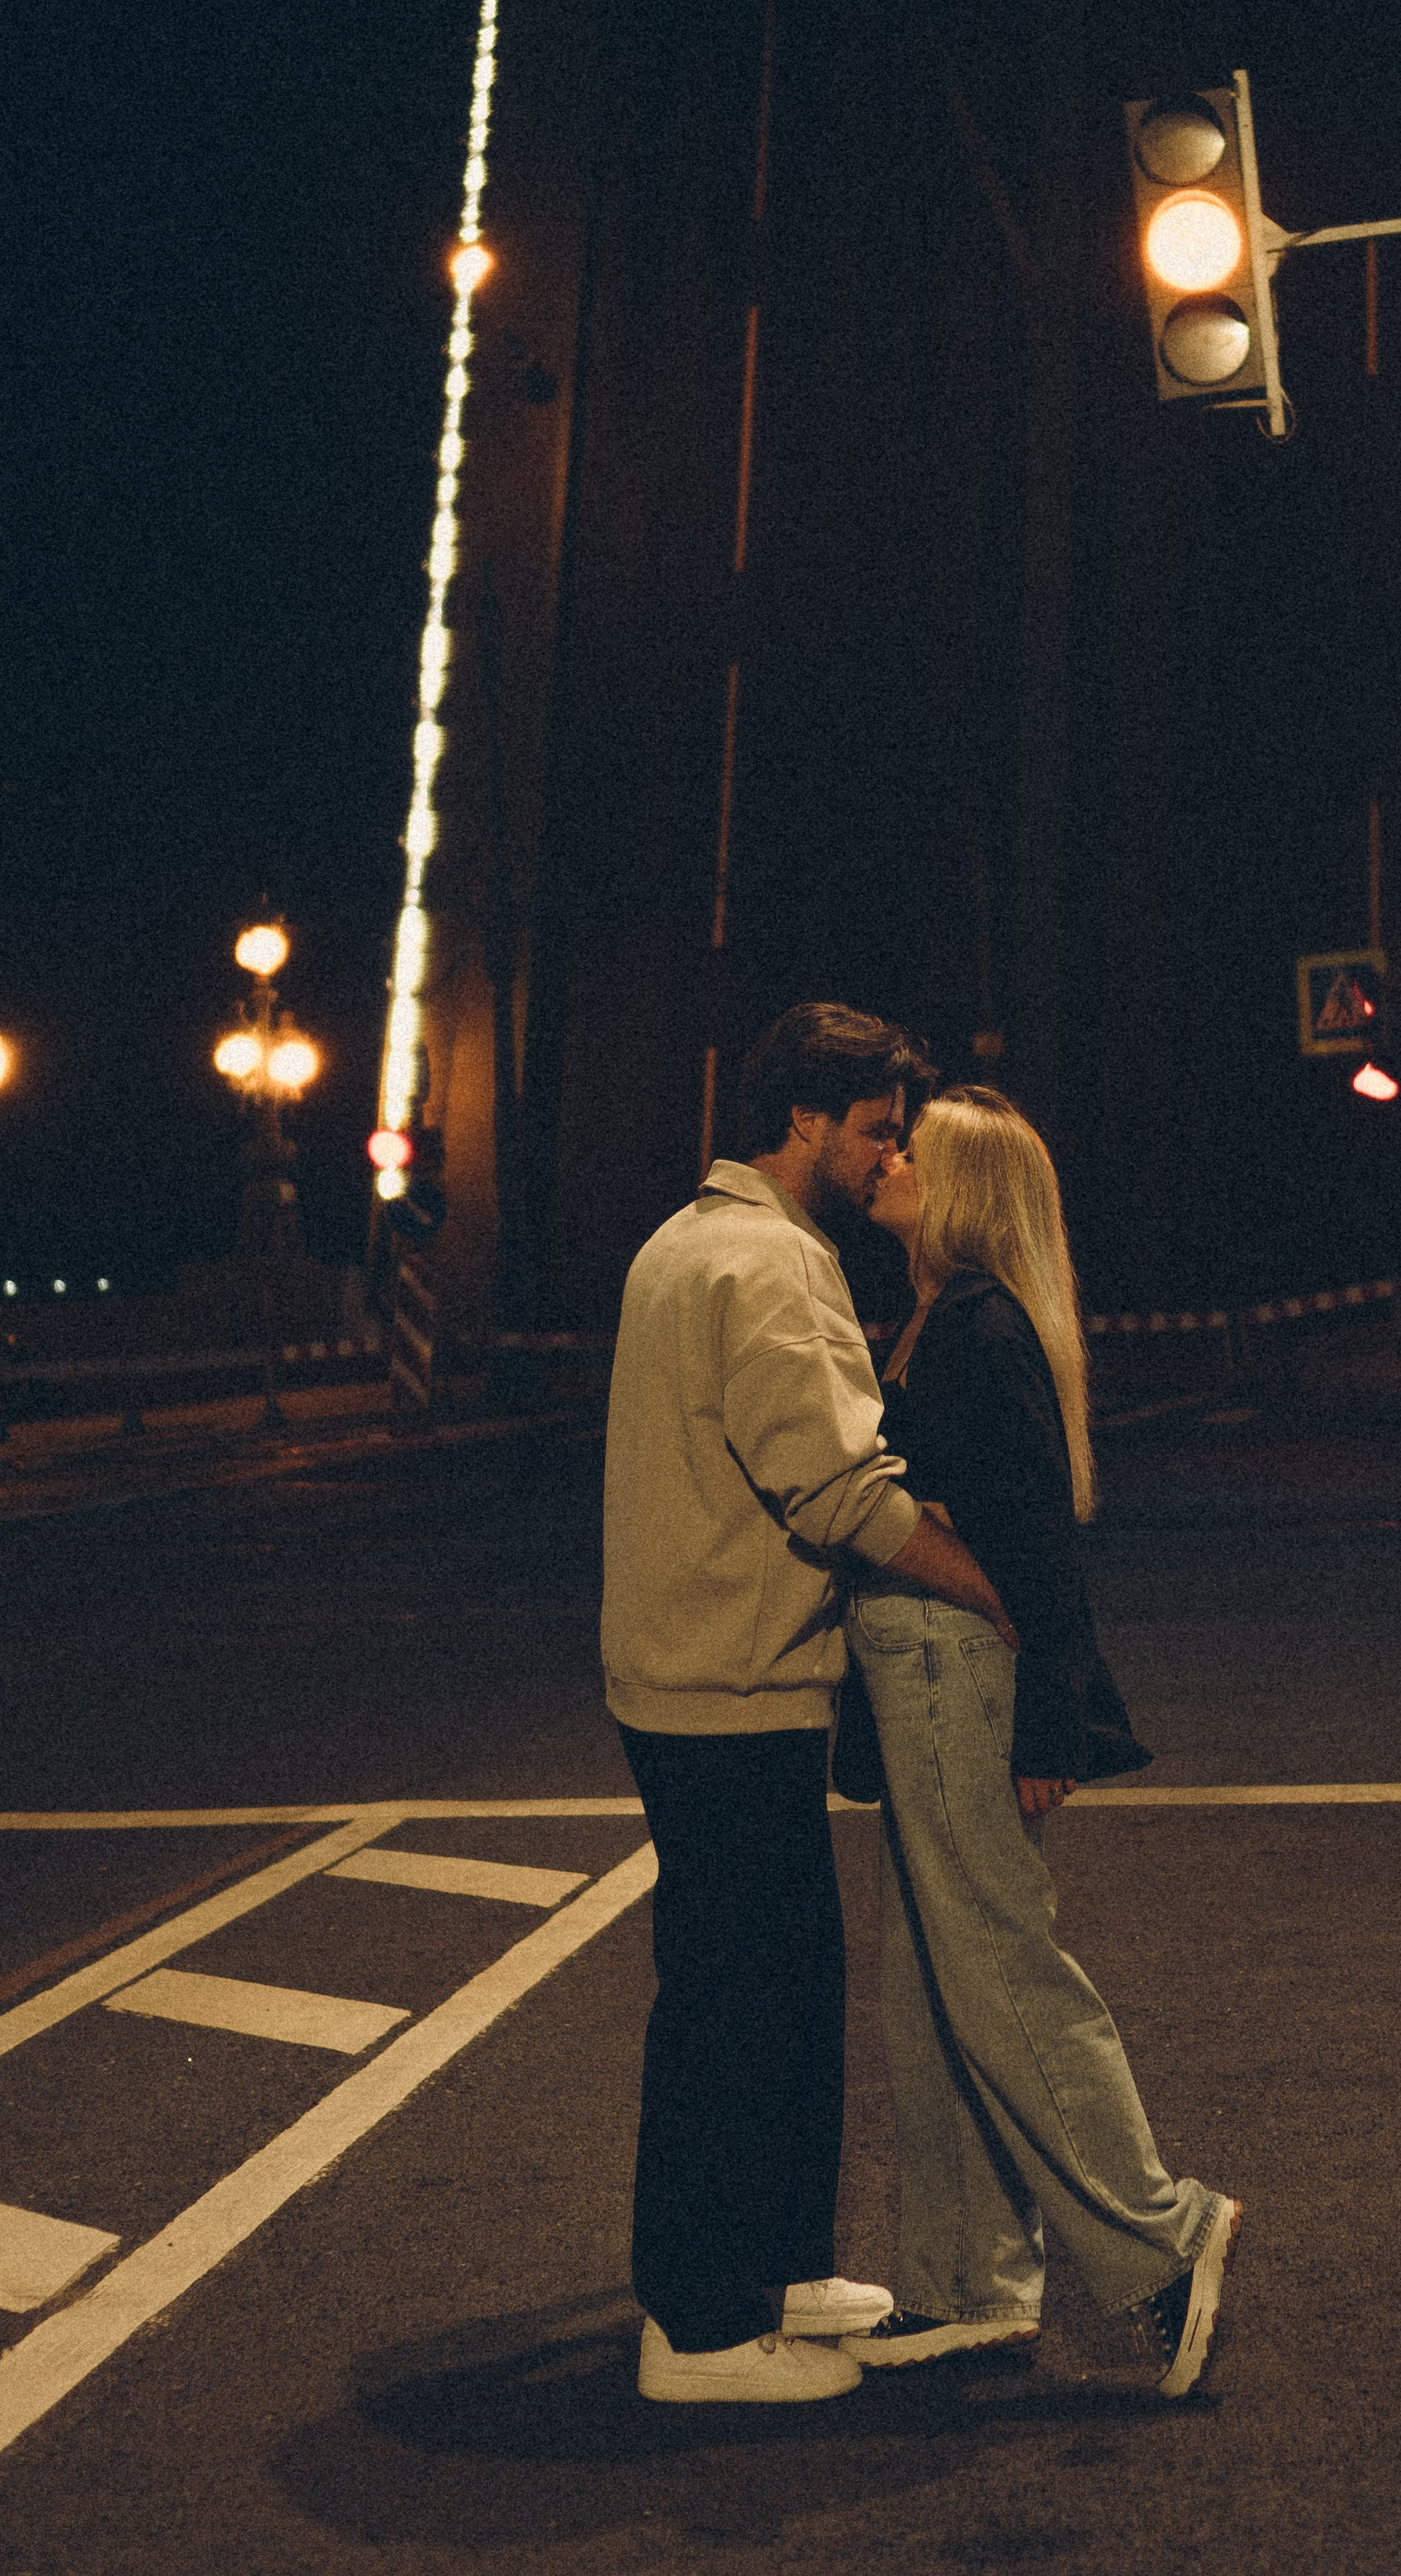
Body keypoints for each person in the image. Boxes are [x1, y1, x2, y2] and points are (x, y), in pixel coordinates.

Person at [602, 1004, 1018, 2405]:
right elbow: (837, 1489)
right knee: (732, 2006)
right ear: (805, 1121)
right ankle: (701, 2330)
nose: (890, 1154)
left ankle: (773, 2269)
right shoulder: (772, 1264)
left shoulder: (682, 1242)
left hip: (691, 1675)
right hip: (732, 1687)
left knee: (776, 1992)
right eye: (878, 1131)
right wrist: (991, 1590)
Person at [843, 1084, 1242, 2397]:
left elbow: (1038, 1550)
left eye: (917, 1149)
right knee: (931, 1988)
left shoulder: (978, 1328)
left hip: (964, 1676)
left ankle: (1164, 2238)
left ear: (964, 1190)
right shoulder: (941, 1316)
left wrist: (1050, 1717)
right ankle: (968, 2284)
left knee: (1002, 1971)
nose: (891, 1157)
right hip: (930, 1675)